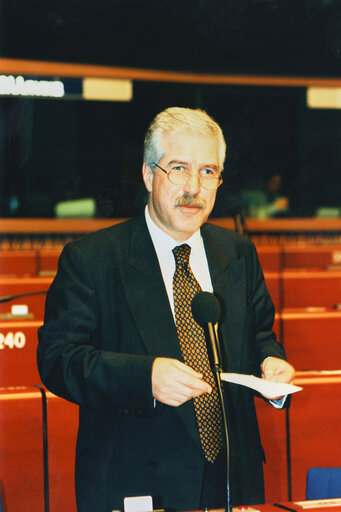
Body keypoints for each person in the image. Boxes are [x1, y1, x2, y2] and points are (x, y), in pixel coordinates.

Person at [37, 107, 295, 512]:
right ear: (147, 174)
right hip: (136, 483)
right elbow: (58, 360)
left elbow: (261, 336)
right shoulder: (93, 259)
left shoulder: (239, 253)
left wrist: (272, 362)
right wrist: (146, 378)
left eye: (208, 171)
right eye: (179, 168)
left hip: (233, 481)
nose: (194, 186)